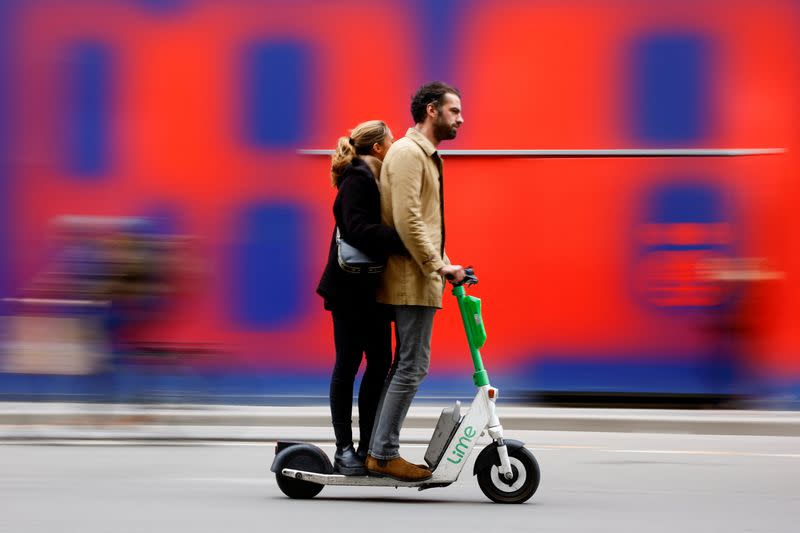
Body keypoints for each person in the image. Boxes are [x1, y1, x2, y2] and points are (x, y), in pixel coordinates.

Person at [366, 82, 466, 481]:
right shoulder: (410, 154)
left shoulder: (425, 156)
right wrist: (436, 265)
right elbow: (407, 219)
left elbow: (423, 224)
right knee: (412, 366)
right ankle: (384, 453)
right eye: (454, 111)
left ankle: (379, 449)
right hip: (411, 278)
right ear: (431, 111)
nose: (461, 118)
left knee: (406, 366)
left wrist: (446, 263)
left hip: (420, 273)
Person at [316, 120, 407, 475]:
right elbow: (356, 229)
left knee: (380, 363)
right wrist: (400, 239)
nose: (396, 146)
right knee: (348, 365)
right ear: (379, 149)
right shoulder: (357, 178)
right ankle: (344, 448)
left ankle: (369, 445)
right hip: (349, 291)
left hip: (370, 289)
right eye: (392, 141)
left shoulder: (374, 179)